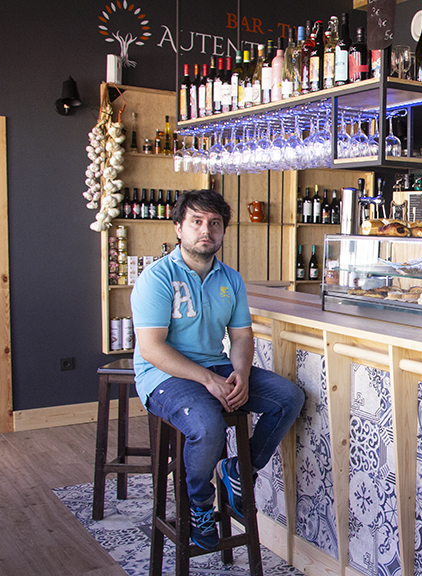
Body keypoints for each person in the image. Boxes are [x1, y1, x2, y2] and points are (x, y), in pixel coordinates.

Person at [131, 189, 304, 550]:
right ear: (178, 228)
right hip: (163, 376)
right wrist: (208, 379)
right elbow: (151, 348)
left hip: (216, 365)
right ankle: (199, 505)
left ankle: (239, 471)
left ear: (224, 231)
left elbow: (241, 336)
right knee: (207, 422)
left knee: (288, 397)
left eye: (214, 223)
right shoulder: (157, 278)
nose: (205, 230)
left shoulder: (231, 279)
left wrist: (240, 372)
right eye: (196, 222)